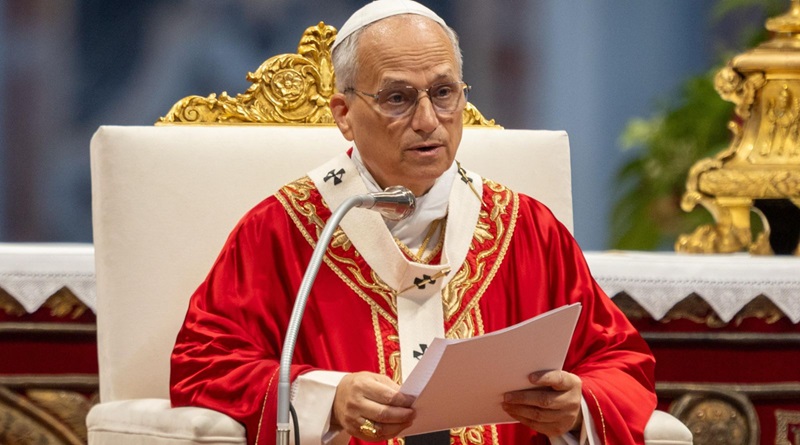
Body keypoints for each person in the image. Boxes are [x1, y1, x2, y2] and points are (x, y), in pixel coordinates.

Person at [170, 1, 657, 444]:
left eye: (443, 93)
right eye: (398, 98)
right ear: (344, 113)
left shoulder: (526, 229)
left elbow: (620, 363)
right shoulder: (285, 228)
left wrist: (577, 406)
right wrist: (330, 398)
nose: (428, 120)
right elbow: (203, 365)